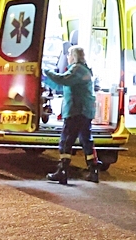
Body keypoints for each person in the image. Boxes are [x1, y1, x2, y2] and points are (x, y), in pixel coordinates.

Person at [43, 45, 103, 184]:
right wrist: (47, 80)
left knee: (66, 141)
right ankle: (93, 170)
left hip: (76, 111)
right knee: (86, 141)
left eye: (69, 55)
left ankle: (62, 171)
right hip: (84, 111)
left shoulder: (76, 69)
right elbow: (62, 86)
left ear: (74, 56)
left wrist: (46, 71)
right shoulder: (84, 70)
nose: (68, 58)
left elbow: (63, 80)